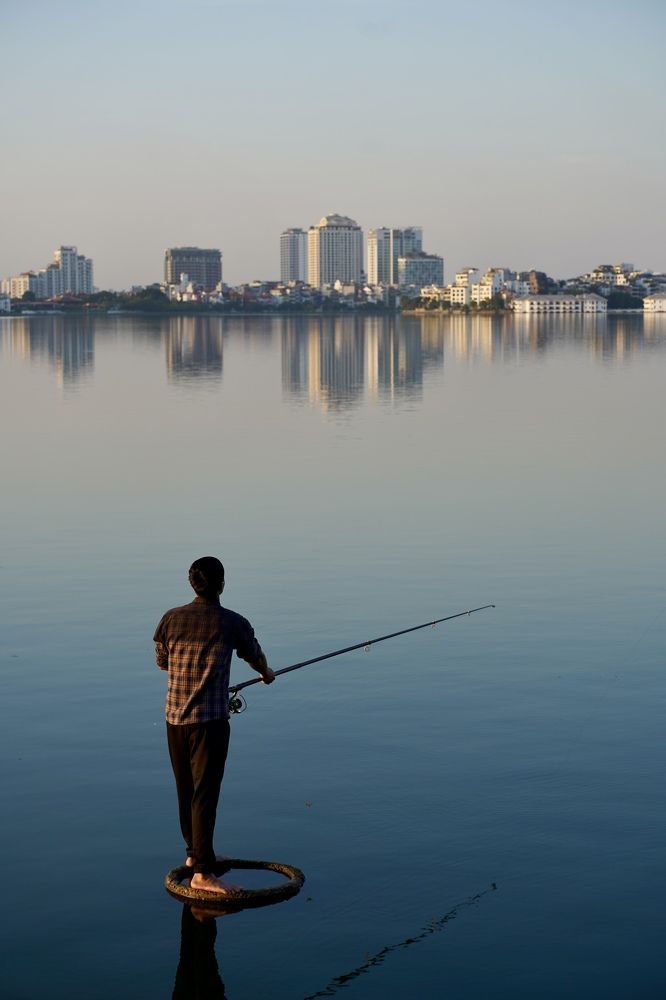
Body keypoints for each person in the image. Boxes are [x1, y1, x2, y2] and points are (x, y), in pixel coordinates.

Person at [154, 556, 275, 895]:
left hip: (174, 719)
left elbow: (162, 662)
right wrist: (266, 674)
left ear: (192, 584)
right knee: (205, 794)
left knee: (186, 790)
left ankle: (195, 855)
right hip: (209, 722)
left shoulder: (170, 619)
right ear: (222, 585)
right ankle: (203, 875)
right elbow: (254, 655)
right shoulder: (232, 622)